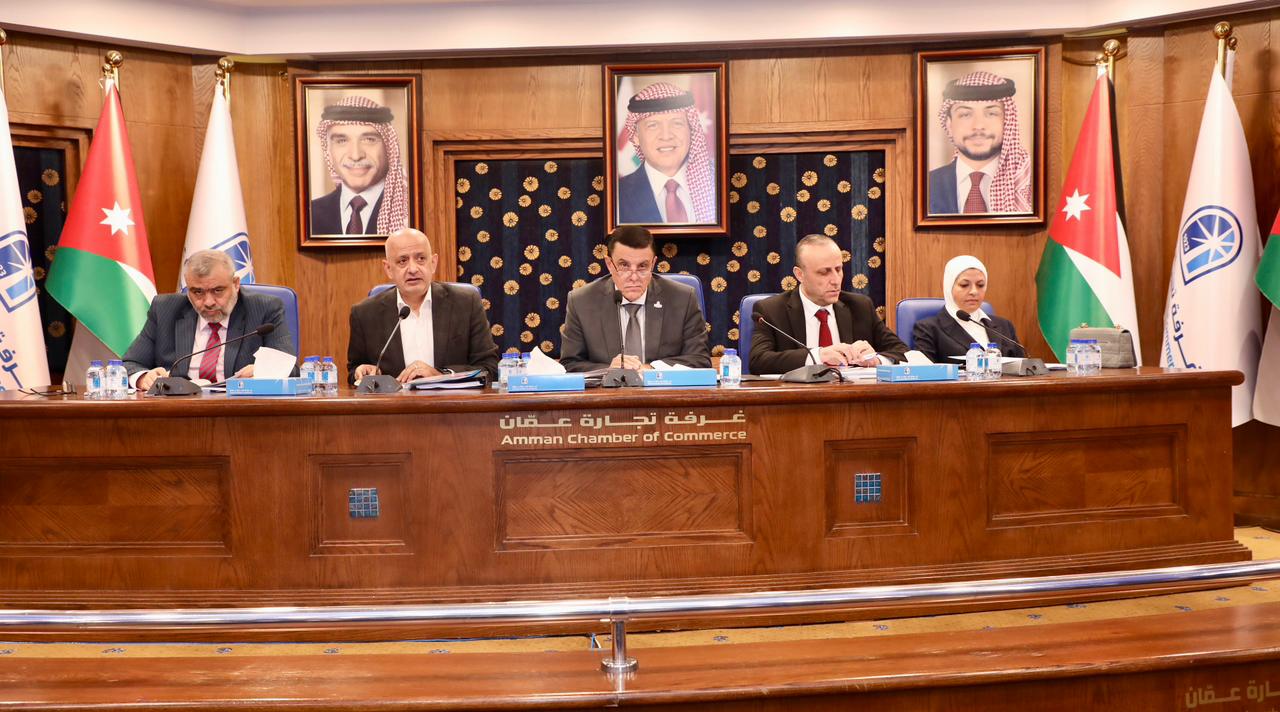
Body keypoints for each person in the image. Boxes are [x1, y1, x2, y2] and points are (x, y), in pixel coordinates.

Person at [124, 249, 295, 391]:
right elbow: (129, 364)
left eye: (218, 290)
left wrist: (264, 371)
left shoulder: (264, 309)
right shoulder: (165, 310)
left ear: (236, 284)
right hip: (178, 410)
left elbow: (291, 368)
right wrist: (143, 377)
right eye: (198, 292)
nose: (208, 302)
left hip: (240, 410)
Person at [347, 228, 498, 384]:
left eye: (420, 258)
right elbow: (354, 370)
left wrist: (440, 374)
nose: (413, 269)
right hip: (394, 400)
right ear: (388, 269)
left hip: (451, 399)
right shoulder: (364, 314)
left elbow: (489, 368)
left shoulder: (466, 303)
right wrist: (362, 371)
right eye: (402, 261)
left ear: (433, 263)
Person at [559, 225, 710, 371]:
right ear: (609, 264)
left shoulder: (683, 299)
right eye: (624, 265)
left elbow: (699, 359)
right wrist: (609, 370)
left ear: (653, 264)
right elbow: (570, 364)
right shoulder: (581, 302)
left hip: (662, 387)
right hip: (607, 388)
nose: (634, 277)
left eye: (642, 266)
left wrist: (649, 369)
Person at [749, 234, 907, 374]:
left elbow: (903, 352)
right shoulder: (771, 310)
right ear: (800, 274)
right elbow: (758, 361)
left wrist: (876, 360)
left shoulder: (860, 306)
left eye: (838, 269)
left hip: (850, 395)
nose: (836, 280)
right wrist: (818, 355)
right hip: (797, 396)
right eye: (824, 272)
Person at [927, 70, 1032, 216]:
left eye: (991, 114)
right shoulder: (924, 186)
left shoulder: (1029, 185)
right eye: (965, 114)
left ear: (1007, 122)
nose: (978, 125)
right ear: (949, 126)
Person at [616, 81, 716, 225]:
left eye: (676, 123)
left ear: (691, 129)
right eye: (653, 125)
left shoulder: (719, 183)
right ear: (636, 136)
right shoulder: (616, 196)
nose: (666, 135)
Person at [309, 95, 410, 237]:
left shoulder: (410, 211)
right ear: (328, 151)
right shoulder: (310, 214)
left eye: (369, 139)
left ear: (388, 148)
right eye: (342, 141)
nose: (356, 155)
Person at [912, 255, 1025, 363]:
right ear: (948, 286)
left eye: (980, 285)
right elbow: (925, 373)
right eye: (964, 285)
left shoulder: (1004, 326)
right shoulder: (928, 329)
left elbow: (1023, 369)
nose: (974, 292)